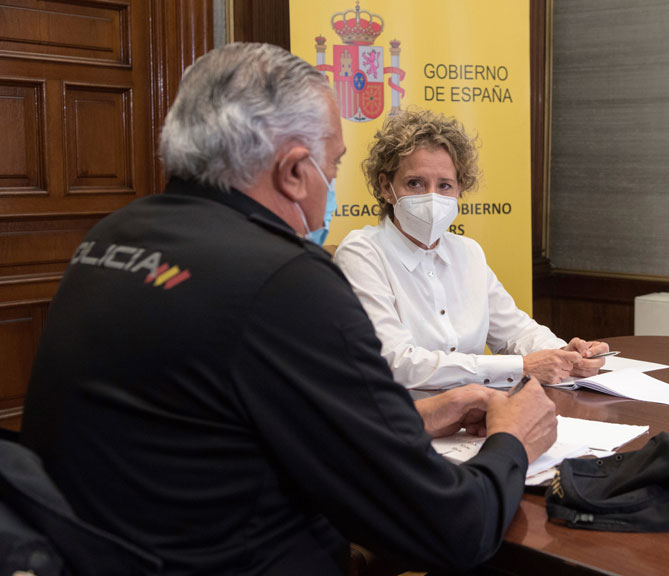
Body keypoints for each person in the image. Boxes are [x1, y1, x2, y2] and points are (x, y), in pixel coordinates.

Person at [19, 42, 558, 575]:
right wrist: (513, 441)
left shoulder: (113, 235)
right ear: (296, 171)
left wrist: (424, 416)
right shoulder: (285, 279)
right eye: (334, 166)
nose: (330, 189)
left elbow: (235, 422)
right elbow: (452, 527)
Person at [333, 109, 609, 390]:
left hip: (480, 409)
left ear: (460, 190)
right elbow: (396, 362)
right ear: (386, 187)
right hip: (406, 414)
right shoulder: (362, 253)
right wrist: (523, 367)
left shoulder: (468, 252)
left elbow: (515, 331)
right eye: (415, 183)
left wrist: (564, 354)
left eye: (445, 185)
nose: (431, 197)